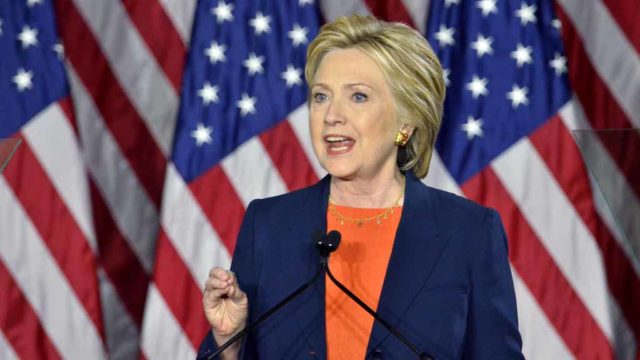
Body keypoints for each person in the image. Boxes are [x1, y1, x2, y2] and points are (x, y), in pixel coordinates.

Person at [198, 15, 523, 360]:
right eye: (321, 97)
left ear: (406, 121)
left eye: (358, 97)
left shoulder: (469, 231)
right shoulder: (268, 224)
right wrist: (229, 340)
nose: (331, 115)